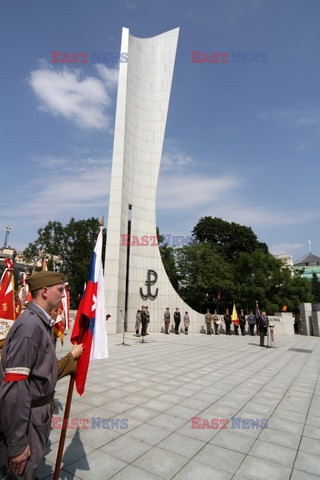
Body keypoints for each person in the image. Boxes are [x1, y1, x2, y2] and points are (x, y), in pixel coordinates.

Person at [0, 271, 83, 480]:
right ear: (45, 292)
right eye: (60, 290)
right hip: (28, 418)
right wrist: (18, 443)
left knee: (31, 468)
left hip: (38, 415)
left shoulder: (39, 322)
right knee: (21, 472)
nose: (63, 295)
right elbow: (14, 389)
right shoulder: (30, 326)